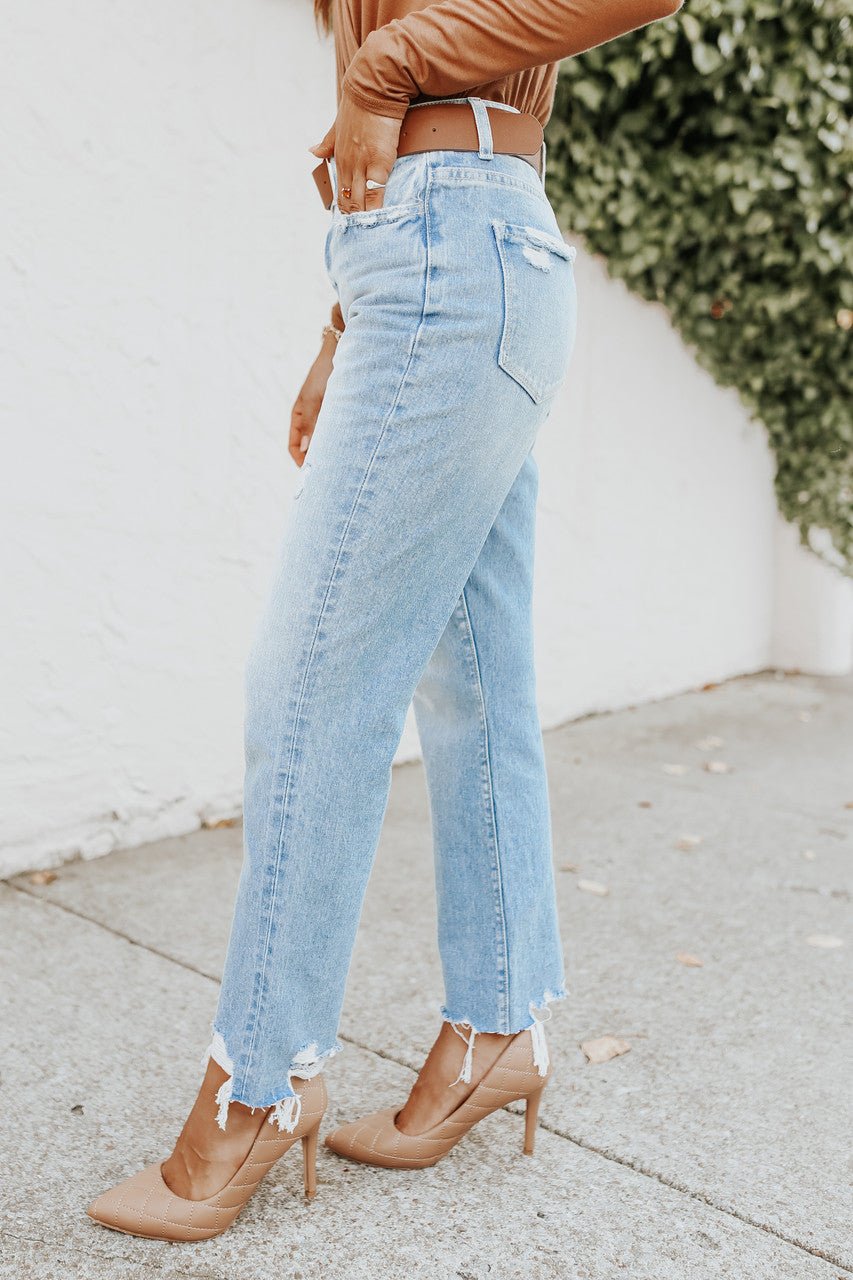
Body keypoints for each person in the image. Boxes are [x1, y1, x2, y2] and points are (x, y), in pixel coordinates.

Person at [87, 0, 682, 1241]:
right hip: (445, 260)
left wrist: (387, 61)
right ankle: (498, 1021)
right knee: (471, 679)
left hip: (455, 260)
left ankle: (258, 1083)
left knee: (309, 686)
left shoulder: (405, 66)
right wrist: (341, 328)